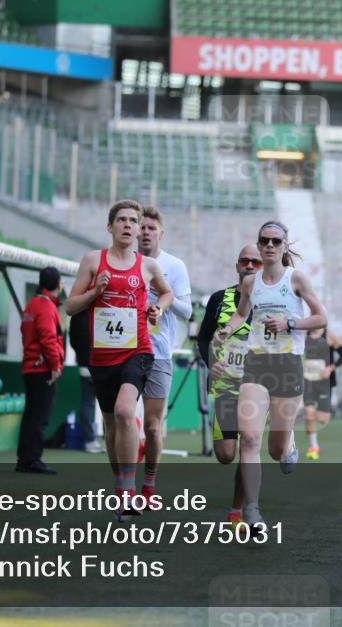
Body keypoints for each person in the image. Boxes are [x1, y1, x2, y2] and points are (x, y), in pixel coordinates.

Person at [215, 221, 327, 532]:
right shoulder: (250, 283)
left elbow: (320, 317)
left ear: (285, 246)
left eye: (276, 241)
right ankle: (252, 510)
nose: (269, 246)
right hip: (257, 365)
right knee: (249, 438)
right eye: (264, 240)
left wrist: (290, 323)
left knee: (276, 450)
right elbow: (242, 311)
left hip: (288, 366)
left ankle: (289, 443)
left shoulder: (297, 279)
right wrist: (228, 328)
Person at [65, 200, 173, 519]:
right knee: (111, 424)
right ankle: (120, 485)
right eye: (122, 220)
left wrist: (159, 308)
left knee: (127, 412)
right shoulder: (92, 260)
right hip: (102, 355)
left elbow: (166, 293)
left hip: (137, 350)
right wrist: (94, 293)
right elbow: (70, 306)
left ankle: (128, 493)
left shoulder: (148, 266)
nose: (128, 225)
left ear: (139, 230)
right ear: (110, 227)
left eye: (133, 221)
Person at [197, 244, 262, 526]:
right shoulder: (218, 298)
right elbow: (202, 338)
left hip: (257, 386)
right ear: (237, 265)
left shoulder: (271, 301)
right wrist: (211, 361)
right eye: (245, 261)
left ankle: (238, 510)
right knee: (225, 454)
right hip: (225, 386)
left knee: (248, 443)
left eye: (256, 262)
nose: (250, 266)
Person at [137, 207, 192, 504]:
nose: (145, 232)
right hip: (125, 352)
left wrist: (163, 300)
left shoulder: (174, 265)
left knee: (152, 427)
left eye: (150, 228)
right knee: (119, 418)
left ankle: (149, 485)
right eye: (141, 227)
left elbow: (188, 310)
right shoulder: (124, 263)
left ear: (160, 233)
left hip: (158, 354)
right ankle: (124, 487)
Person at [16, 266, 65, 475]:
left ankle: (24, 459)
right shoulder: (46, 307)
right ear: (58, 284)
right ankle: (32, 460)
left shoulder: (32, 305)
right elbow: (48, 338)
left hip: (30, 367)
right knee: (39, 417)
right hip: (42, 368)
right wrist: (55, 365)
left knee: (31, 416)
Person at [303, 328, 342, 460]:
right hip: (308, 381)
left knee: (322, 419)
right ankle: (314, 446)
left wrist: (330, 368)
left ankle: (311, 416)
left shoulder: (330, 336)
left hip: (324, 382)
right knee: (309, 414)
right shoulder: (304, 334)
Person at [69, 309, 103, 454]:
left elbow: (72, 342)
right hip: (99, 364)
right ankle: (93, 440)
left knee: (88, 403)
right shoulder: (99, 312)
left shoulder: (76, 316)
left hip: (84, 364)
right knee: (95, 404)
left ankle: (91, 440)